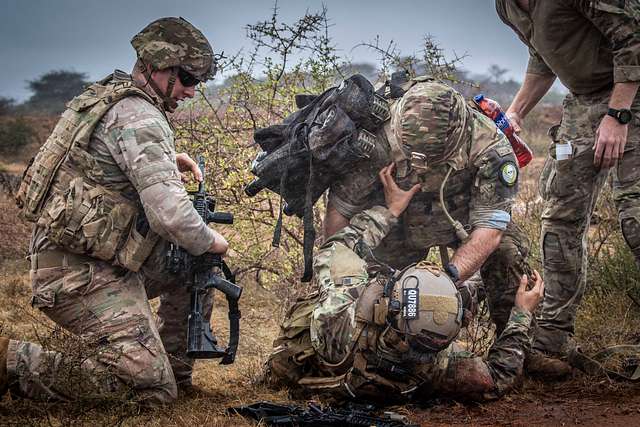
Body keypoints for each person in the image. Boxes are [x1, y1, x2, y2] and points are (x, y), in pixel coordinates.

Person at [2, 17, 227, 404]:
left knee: (195, 267)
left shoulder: (109, 96)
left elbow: (95, 167)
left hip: (88, 258)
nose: (192, 91)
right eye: (188, 79)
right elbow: (171, 215)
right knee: (149, 390)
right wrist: (213, 242)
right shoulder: (141, 116)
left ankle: (175, 373)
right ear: (159, 67)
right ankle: (11, 362)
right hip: (77, 274)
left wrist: (164, 160)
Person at [264, 164, 545, 402]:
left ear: (386, 296)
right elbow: (498, 378)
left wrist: (391, 210)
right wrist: (521, 314)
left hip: (318, 361)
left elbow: (337, 246)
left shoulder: (342, 307)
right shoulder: (438, 367)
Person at [323, 75, 532, 339]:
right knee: (379, 304)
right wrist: (336, 281)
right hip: (396, 224)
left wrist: (443, 283)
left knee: (507, 252)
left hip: (462, 217)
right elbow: (341, 213)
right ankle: (386, 349)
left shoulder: (489, 146)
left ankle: (515, 341)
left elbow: (489, 229)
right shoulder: (376, 140)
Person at [495, 0, 640, 375]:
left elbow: (634, 37)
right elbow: (543, 58)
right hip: (583, 101)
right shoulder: (506, 6)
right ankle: (552, 337)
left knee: (635, 216)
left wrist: (618, 115)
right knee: (560, 215)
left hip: (631, 93)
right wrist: (516, 112)